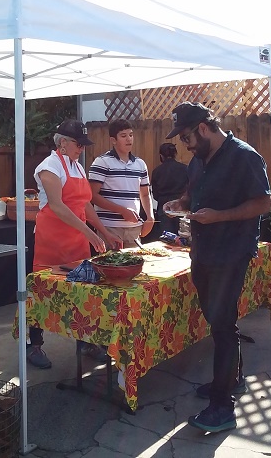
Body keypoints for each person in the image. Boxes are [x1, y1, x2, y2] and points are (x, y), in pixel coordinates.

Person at [163, 102, 271, 433]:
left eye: (186, 137)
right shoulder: (199, 159)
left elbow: (263, 202)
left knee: (222, 325)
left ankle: (222, 407)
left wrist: (220, 216)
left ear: (204, 128)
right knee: (216, 319)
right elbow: (193, 192)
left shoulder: (244, 156)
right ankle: (232, 378)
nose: (185, 145)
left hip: (231, 253)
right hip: (203, 251)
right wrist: (181, 203)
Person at [28, 119, 123, 369]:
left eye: (83, 145)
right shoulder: (48, 167)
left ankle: (87, 342)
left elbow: (85, 204)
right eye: (78, 144)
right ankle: (34, 344)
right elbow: (57, 206)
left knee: (83, 293)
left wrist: (104, 232)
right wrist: (90, 233)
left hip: (77, 240)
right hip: (52, 240)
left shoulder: (78, 167)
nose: (81, 149)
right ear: (62, 143)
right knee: (42, 292)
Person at [88, 119, 155, 247]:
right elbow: (92, 195)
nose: (129, 139)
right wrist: (122, 211)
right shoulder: (102, 162)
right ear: (113, 140)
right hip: (109, 227)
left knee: (136, 259)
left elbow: (145, 194)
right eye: (123, 136)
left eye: (131, 135)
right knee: (110, 260)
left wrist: (150, 217)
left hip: (134, 228)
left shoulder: (140, 164)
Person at [150, 142, 188, 235]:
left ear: (161, 156)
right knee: (183, 237)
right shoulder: (185, 169)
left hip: (164, 208)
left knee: (166, 238)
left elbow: (155, 195)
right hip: (181, 207)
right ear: (175, 154)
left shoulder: (156, 171)